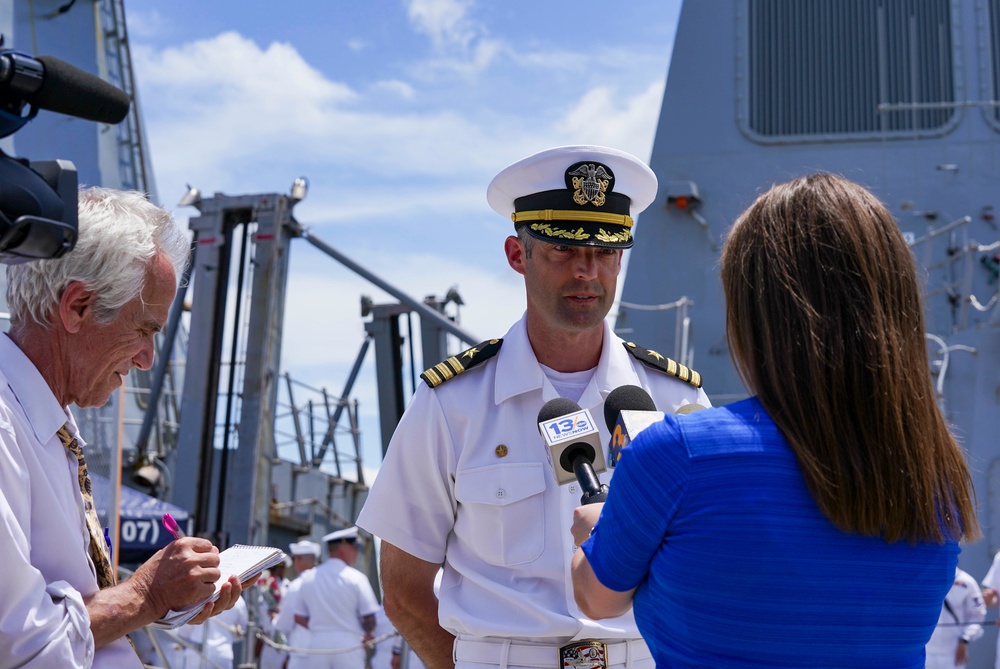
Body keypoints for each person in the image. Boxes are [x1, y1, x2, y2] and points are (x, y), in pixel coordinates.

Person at [570, 173, 981, 667]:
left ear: (755, 311)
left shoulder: (677, 453)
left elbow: (599, 598)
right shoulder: (940, 478)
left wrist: (598, 528)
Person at [357, 145, 710, 669]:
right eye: (564, 251)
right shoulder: (452, 404)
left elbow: (710, 565)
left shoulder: (677, 401)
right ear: (517, 255)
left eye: (606, 252)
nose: (587, 272)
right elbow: (405, 591)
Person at [0, 187, 246, 667]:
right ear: (78, 308)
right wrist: (146, 595)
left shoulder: (43, 422)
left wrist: (163, 602)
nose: (148, 359)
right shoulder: (7, 426)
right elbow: (20, 642)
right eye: (145, 330)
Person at [291, 527, 380, 668]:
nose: (357, 551)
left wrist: (321, 628)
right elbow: (369, 618)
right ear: (342, 549)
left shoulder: (308, 578)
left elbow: (299, 616)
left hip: (317, 643)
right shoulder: (356, 578)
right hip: (349, 644)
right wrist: (367, 635)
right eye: (354, 546)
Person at [925, 568, 986, 668]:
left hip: (953, 655)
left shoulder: (967, 582)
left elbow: (977, 617)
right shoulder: (923, 580)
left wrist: (965, 639)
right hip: (925, 652)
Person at [275, 539, 321, 669]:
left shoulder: (297, 585)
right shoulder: (326, 583)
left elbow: (284, 623)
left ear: (299, 560)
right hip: (324, 651)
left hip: (301, 652)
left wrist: (274, 619)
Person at [171, 594, 250, 669]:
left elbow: (183, 631)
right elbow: (241, 632)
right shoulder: (237, 599)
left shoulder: (196, 594)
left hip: (196, 654)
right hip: (223, 654)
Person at [257, 555, 292, 669]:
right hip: (267, 639)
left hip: (282, 640)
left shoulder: (290, 587)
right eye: (276, 568)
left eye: (281, 568)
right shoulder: (265, 587)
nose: (278, 571)